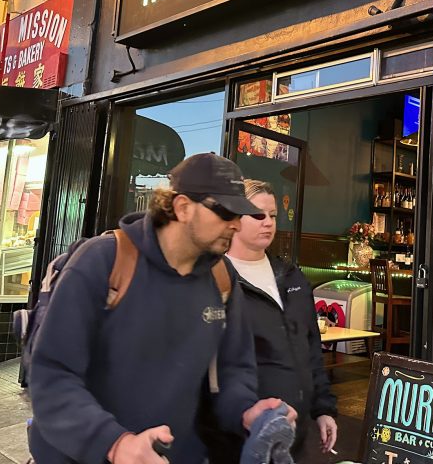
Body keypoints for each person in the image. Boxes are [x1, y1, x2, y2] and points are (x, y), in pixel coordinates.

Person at [28, 153, 296, 463]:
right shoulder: (103, 261)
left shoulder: (221, 278)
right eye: (225, 211)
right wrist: (116, 444)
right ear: (182, 207)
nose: (236, 224)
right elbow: (52, 376)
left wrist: (246, 411)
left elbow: (232, 370)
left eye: (240, 213)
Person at [224, 179, 338, 458]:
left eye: (272, 216)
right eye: (258, 215)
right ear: (235, 219)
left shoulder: (291, 276)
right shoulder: (218, 278)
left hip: (295, 432)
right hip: (241, 434)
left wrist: (323, 408)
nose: (268, 222)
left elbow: (311, 346)